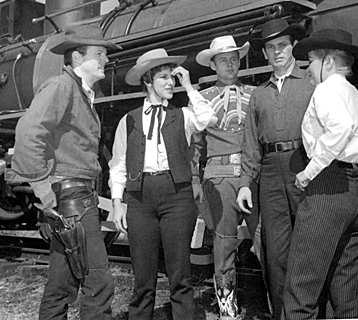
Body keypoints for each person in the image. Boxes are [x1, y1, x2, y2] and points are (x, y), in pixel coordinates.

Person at [236, 19, 358, 320]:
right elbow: (251, 142)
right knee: (283, 257)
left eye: (284, 46)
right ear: (264, 53)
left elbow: (338, 127)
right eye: (270, 47)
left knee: (308, 269)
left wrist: (312, 169)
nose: (278, 52)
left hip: (312, 174)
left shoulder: (318, 87)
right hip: (285, 174)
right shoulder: (259, 95)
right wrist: (247, 181)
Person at [5, 25, 122, 319]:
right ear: (77, 58)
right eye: (99, 54)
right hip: (72, 201)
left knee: (62, 282)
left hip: (73, 200)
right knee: (98, 282)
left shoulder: (80, 93)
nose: (106, 60)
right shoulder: (61, 86)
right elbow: (29, 133)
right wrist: (44, 190)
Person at [108, 48, 216, 320]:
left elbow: (208, 118)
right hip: (140, 198)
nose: (171, 83)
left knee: (180, 274)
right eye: (164, 78)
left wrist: (189, 86)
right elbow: (118, 163)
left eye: (172, 77)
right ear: (148, 81)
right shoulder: (129, 119)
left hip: (177, 197)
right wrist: (117, 202)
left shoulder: (183, 115)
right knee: (143, 278)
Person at [282, 28, 358, 319]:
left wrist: (308, 173)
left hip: (327, 192)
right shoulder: (354, 93)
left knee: (301, 289)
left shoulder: (326, 89)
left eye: (310, 61)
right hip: (356, 193)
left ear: (328, 61)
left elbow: (340, 128)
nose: (307, 69)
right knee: (345, 291)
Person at [191, 35, 261, 320]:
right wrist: (196, 183)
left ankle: (277, 304)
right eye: (223, 60)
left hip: (253, 176)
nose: (230, 65)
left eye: (234, 59)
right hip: (219, 180)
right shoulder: (203, 98)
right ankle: (227, 308)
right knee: (224, 244)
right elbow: (195, 146)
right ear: (213, 65)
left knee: (266, 240)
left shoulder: (256, 94)